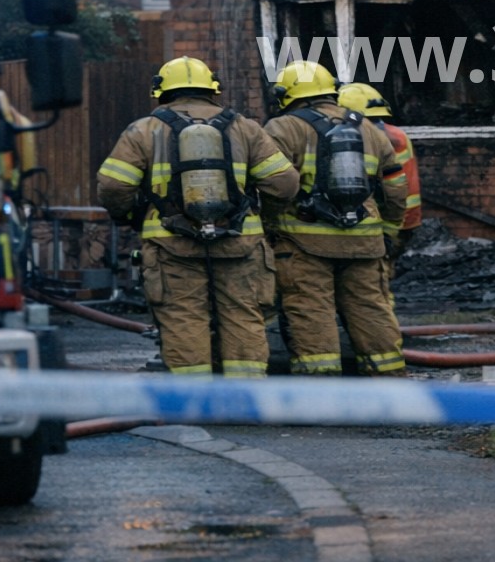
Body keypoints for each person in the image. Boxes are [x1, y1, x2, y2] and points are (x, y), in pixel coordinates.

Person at [97, 56, 297, 377]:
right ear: (212, 90)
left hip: (171, 246)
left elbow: (112, 185)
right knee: (243, 315)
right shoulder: (245, 128)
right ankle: (246, 400)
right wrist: (262, 215)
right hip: (240, 244)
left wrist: (132, 215)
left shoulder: (144, 130)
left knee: (183, 318)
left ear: (161, 92)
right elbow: (284, 184)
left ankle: (198, 403)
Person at [262, 62, 410, 377]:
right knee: (372, 310)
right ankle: (393, 385)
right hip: (365, 241)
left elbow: (273, 186)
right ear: (332, 89)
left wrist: (269, 226)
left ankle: (323, 391)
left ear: (286, 94)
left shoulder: (282, 128)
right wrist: (387, 233)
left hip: (304, 242)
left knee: (311, 312)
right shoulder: (368, 128)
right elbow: (397, 189)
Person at [338, 81, 423, 305]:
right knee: (383, 273)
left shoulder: (362, 138)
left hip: (383, 218)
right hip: (407, 219)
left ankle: (383, 332)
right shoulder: (399, 135)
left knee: (374, 281)